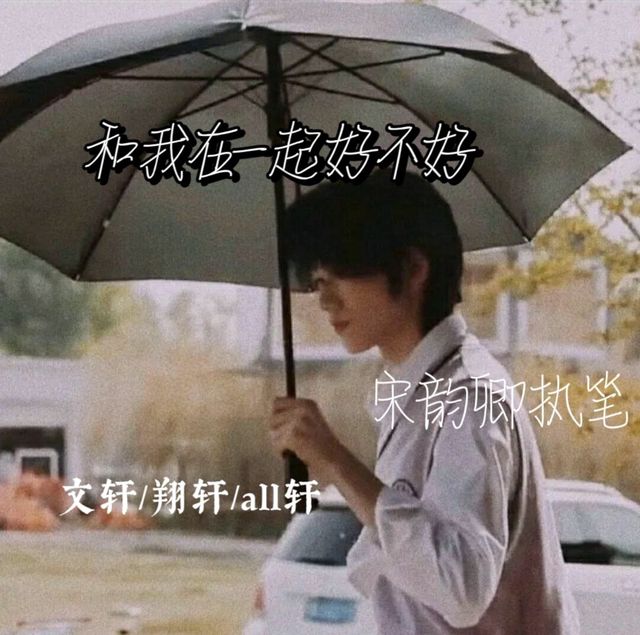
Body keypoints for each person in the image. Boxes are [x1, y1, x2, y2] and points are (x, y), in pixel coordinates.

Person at [266, 171, 581, 634]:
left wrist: (334, 460)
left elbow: (461, 587)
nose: (326, 300)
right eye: (317, 280)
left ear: (413, 269)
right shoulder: (420, 393)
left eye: (342, 273)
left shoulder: (469, 396)